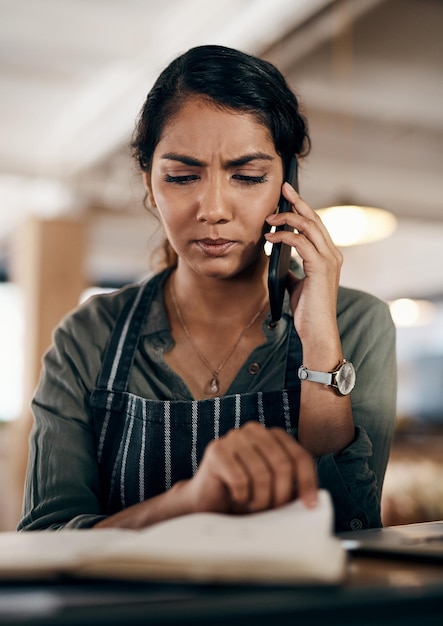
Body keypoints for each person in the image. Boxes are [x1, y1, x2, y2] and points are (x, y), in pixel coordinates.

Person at [18, 45, 396, 533]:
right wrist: (190, 502)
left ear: (288, 184)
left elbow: (352, 532)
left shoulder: (356, 323)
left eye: (248, 176)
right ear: (150, 186)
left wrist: (320, 344)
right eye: (181, 176)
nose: (213, 208)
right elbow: (44, 541)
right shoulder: (88, 337)